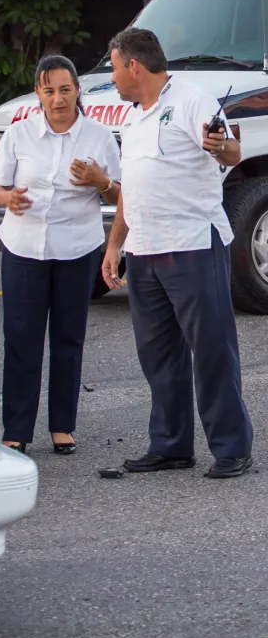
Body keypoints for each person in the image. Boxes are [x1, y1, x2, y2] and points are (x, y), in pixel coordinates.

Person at [101, 27, 254, 479]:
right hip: (145, 249)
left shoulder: (192, 100)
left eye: (113, 68)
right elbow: (131, 187)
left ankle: (231, 448)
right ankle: (170, 445)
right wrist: (115, 246)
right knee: (159, 355)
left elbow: (230, 151)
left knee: (211, 350)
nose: (112, 78)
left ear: (133, 65)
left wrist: (219, 145)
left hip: (191, 245)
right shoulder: (133, 118)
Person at [0, 55, 121, 455]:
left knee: (68, 338)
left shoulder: (97, 136)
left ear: (78, 90)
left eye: (65, 89)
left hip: (76, 250)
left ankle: (63, 426)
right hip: (24, 249)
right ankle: (17, 428)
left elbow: (120, 193)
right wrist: (7, 197)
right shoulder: (20, 134)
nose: (58, 99)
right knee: (22, 339)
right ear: (38, 94)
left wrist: (100, 181)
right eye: (50, 91)